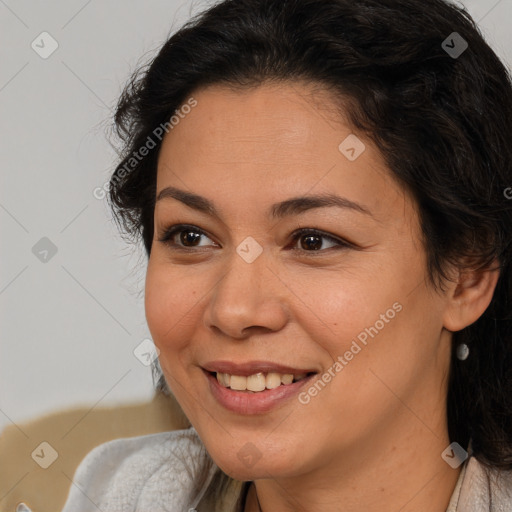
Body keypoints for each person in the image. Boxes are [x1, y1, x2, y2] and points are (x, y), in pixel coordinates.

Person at [62, 0, 512, 510]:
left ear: (467, 276)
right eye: (191, 236)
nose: (233, 310)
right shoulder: (122, 492)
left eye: (312, 240)